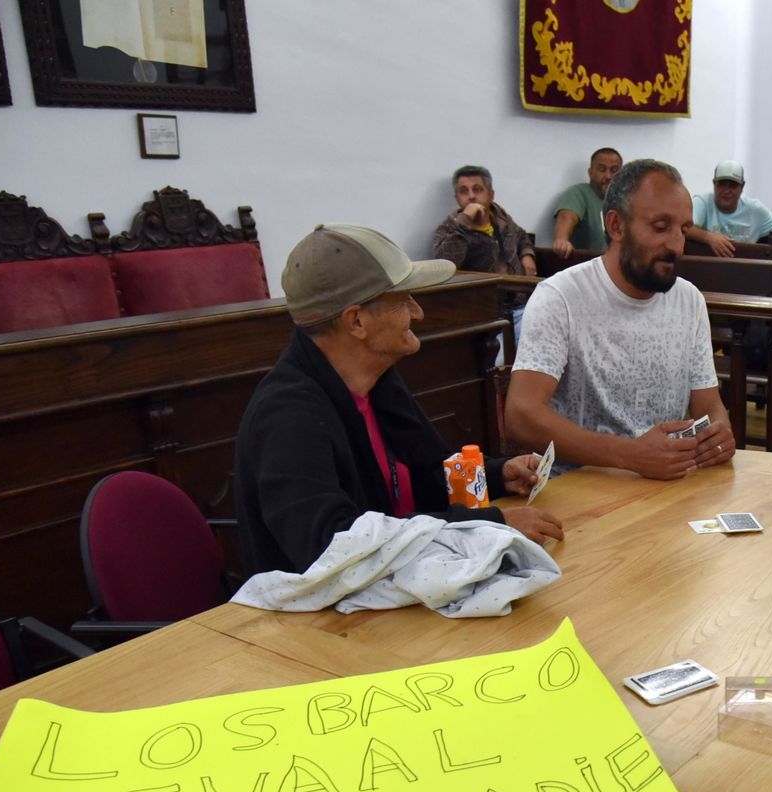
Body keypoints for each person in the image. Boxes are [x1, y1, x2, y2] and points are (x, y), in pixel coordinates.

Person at [234, 223, 563, 576]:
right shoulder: (287, 416)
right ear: (356, 321)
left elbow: (424, 474)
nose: (418, 312)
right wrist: (489, 524)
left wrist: (496, 475)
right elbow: (332, 547)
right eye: (403, 300)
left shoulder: (375, 378)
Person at [506, 159, 737, 479]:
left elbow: (708, 407)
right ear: (615, 226)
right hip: (580, 489)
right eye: (660, 228)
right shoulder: (560, 297)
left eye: (683, 229)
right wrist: (631, 455)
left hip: (666, 483)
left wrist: (719, 431)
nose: (676, 245)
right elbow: (522, 415)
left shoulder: (689, 300)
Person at [432, 164, 537, 278]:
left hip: (520, 290)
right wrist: (464, 220)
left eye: (477, 189)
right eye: (464, 191)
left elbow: (522, 236)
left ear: (491, 195)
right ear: (457, 198)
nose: (471, 196)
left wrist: (527, 256)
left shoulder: (501, 218)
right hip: (483, 293)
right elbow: (447, 265)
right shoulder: (448, 229)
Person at [689, 160, 772, 257]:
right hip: (708, 266)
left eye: (733, 185)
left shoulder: (755, 209)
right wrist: (709, 237)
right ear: (714, 184)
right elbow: (685, 228)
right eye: (722, 184)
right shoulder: (702, 202)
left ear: (742, 187)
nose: (726, 191)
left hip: (746, 268)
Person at [551, 147, 622, 257]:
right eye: (602, 169)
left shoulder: (626, 200)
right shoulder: (578, 193)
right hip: (588, 265)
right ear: (590, 173)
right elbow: (567, 216)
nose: (608, 176)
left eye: (614, 170)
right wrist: (561, 240)